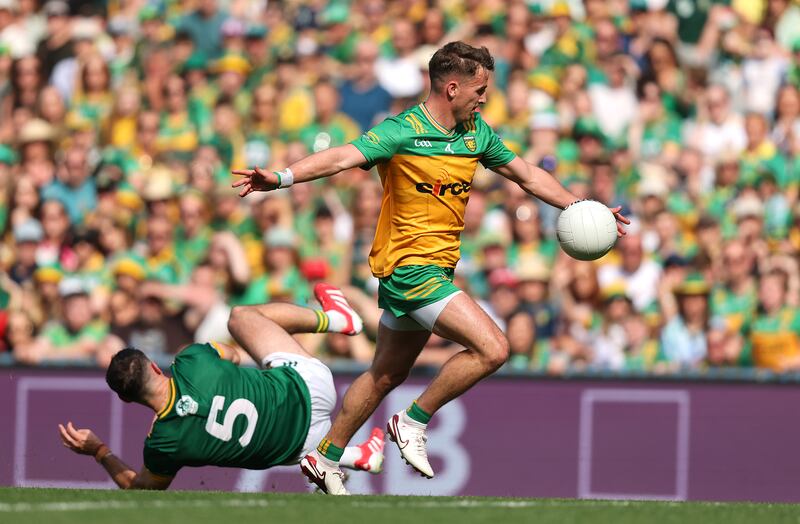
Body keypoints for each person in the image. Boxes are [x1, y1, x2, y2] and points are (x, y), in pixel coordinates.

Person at [232, 41, 629, 495]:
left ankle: (325, 456)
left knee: (385, 374)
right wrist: (281, 177)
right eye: (480, 89)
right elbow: (342, 156)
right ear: (453, 87)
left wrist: (583, 207)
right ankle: (413, 421)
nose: (485, 98)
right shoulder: (402, 131)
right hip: (409, 269)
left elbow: (528, 175)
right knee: (494, 348)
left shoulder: (476, 133)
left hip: (435, 271)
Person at [57, 284, 383, 490]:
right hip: (308, 389)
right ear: (156, 366)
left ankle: (355, 456)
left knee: (283, 448)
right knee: (240, 317)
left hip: (300, 446)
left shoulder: (162, 445)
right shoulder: (191, 359)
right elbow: (236, 355)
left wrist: (100, 451)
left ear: (127, 401)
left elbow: (140, 488)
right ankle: (336, 320)